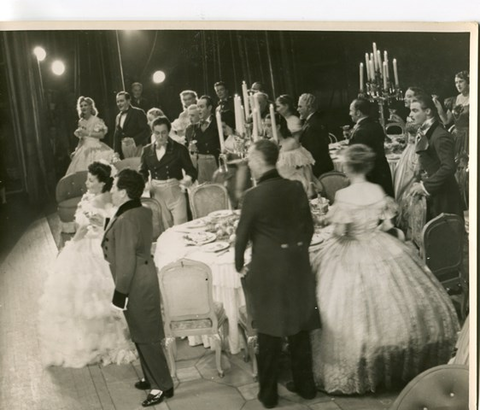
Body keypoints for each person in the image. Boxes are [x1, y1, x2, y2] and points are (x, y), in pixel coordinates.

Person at [310, 144, 459, 395]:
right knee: (393, 307)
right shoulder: (376, 189)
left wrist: (329, 223)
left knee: (348, 310)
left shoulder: (345, 195)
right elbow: (388, 224)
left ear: (347, 167)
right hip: (380, 244)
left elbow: (342, 232)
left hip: (351, 249)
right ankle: (391, 357)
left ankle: (361, 360)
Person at [235, 140, 320, 408]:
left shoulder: (253, 195)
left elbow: (241, 237)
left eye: (250, 158)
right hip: (297, 266)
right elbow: (308, 227)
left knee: (269, 333)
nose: (248, 162)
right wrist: (296, 253)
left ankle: (269, 394)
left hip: (268, 269)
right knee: (299, 328)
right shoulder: (295, 188)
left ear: (261, 162)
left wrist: (239, 264)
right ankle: (306, 388)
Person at [38, 161, 137, 368]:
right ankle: (93, 341)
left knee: (92, 299)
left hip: (95, 248)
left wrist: (75, 241)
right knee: (84, 300)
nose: (87, 183)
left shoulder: (102, 201)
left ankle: (100, 343)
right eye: (88, 179)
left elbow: (93, 228)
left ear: (102, 183)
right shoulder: (92, 198)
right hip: (88, 243)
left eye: (91, 180)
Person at [102, 169, 174, 408]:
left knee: (146, 336)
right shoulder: (138, 210)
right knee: (142, 332)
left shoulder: (125, 220)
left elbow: (125, 263)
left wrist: (119, 295)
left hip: (134, 283)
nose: (111, 190)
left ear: (123, 192)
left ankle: (160, 386)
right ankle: (152, 377)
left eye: (114, 187)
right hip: (143, 277)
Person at [408, 94, 463, 220]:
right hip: (435, 193)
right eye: (411, 110)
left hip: (444, 197)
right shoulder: (426, 131)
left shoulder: (440, 136)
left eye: (415, 110)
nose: (411, 115)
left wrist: (425, 186)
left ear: (427, 111)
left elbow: (449, 167)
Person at [139, 116, 197, 226]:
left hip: (176, 193)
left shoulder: (179, 149)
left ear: (169, 132)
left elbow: (191, 170)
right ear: (153, 132)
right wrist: (145, 183)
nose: (160, 137)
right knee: (166, 228)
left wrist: (188, 179)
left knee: (181, 227)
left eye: (163, 133)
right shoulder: (146, 151)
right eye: (157, 133)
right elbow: (142, 172)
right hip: (157, 193)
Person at [433, 70, 469, 207]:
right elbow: (446, 120)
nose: (458, 85)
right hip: (457, 136)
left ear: (468, 81)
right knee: (456, 169)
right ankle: (460, 202)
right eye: (456, 82)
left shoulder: (475, 96)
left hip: (470, 137)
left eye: (461, 81)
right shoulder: (454, 100)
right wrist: (438, 106)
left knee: (467, 169)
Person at [393, 87, 424, 234]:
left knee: (408, 184)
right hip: (408, 151)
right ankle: (403, 224)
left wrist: (400, 122)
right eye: (405, 96)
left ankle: (411, 226)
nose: (405, 98)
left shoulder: (420, 115)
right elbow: (409, 135)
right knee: (400, 186)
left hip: (415, 153)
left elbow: (420, 135)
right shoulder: (412, 113)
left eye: (409, 96)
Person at [348, 97, 394, 197]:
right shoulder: (376, 125)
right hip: (382, 171)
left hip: (369, 176)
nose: (349, 113)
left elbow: (357, 158)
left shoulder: (361, 131)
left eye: (351, 110)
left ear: (358, 113)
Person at [264, 112, 317, 197]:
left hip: (294, 184)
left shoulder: (291, 143)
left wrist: (311, 186)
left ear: (278, 127)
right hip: (277, 185)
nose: (265, 129)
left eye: (269, 126)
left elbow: (306, 166)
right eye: (265, 125)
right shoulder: (269, 144)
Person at [66, 96, 113, 175]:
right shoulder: (81, 121)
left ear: (90, 106)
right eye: (81, 106)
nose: (83, 107)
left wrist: (87, 133)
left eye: (85, 105)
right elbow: (81, 139)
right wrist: (76, 150)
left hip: (96, 147)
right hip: (84, 148)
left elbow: (101, 135)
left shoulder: (96, 120)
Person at [297, 93, 334, 178]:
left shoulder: (313, 125)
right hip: (322, 166)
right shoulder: (314, 120)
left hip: (318, 170)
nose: (298, 110)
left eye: (300, 107)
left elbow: (314, 152)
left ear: (309, 107)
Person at [190, 95, 221, 183]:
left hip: (214, 164)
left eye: (201, 107)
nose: (199, 109)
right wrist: (192, 148)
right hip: (201, 165)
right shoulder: (196, 126)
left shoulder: (218, 124)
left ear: (210, 108)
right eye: (198, 107)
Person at [113, 91, 150, 159]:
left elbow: (147, 131)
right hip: (124, 150)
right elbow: (117, 136)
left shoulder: (138, 112)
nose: (119, 104)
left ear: (128, 101)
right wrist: (116, 152)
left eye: (121, 101)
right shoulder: (118, 117)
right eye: (117, 102)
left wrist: (134, 140)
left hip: (138, 147)